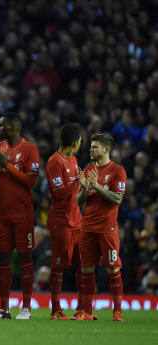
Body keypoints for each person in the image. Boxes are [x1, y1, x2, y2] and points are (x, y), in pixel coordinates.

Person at [0, 112, 40, 320]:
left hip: (22, 213)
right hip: (2, 213)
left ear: (14, 127)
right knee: (4, 258)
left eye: (1, 125)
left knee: (25, 256)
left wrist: (6, 165)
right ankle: (4, 308)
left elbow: (29, 181)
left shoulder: (30, 149)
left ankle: (26, 308)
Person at [74, 133, 127, 321]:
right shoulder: (87, 170)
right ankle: (86, 312)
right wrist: (84, 189)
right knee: (87, 269)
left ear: (106, 150)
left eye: (94, 147)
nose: (90, 149)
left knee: (113, 269)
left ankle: (117, 311)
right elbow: (80, 202)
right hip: (87, 228)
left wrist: (97, 186)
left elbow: (117, 199)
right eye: (90, 146)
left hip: (107, 229)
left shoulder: (117, 170)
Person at [44, 123, 83, 320]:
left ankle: (81, 308)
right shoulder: (54, 162)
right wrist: (78, 181)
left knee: (83, 265)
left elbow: (76, 192)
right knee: (58, 266)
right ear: (74, 143)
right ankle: (56, 310)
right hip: (61, 223)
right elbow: (60, 193)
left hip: (77, 222)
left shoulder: (74, 160)